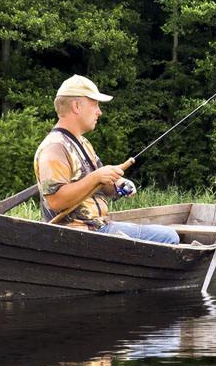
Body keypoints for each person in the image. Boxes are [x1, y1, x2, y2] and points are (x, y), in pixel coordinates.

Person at [33, 75, 179, 244]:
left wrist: (118, 184)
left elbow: (102, 185)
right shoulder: (55, 147)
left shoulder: (82, 143)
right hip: (78, 235)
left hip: (98, 228)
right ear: (76, 106)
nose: (99, 111)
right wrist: (96, 176)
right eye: (94, 104)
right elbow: (56, 201)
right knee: (168, 237)